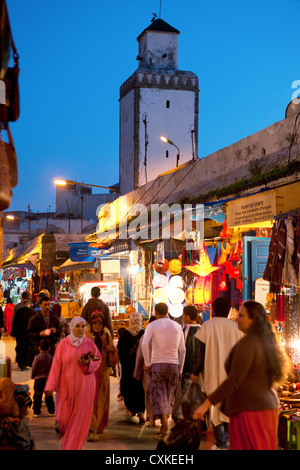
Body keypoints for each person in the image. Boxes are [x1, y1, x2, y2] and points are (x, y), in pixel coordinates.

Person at [193, 300, 291, 450]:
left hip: (251, 409)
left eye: (242, 316)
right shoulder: (263, 341)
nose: (237, 318)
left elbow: (234, 381)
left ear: (253, 320)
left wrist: (206, 404)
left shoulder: (249, 343)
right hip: (264, 406)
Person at [190, 296, 244, 450]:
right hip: (231, 375)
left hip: (212, 372)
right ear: (228, 310)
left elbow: (200, 352)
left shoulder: (207, 326)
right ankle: (226, 441)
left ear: (213, 310)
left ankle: (221, 442)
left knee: (214, 408)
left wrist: (195, 371)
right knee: (228, 408)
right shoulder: (236, 328)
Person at [44, 317, 101, 450]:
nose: (81, 329)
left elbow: (98, 359)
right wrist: (51, 386)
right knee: (64, 419)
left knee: (78, 420)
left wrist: (89, 363)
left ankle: (73, 447)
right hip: (65, 387)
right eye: (77, 326)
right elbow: (56, 366)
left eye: (83, 326)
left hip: (85, 387)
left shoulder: (90, 344)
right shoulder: (63, 344)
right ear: (72, 327)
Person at [141, 303, 186, 439]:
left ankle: (165, 425)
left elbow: (144, 344)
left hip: (157, 364)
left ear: (155, 312)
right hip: (174, 364)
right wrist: (181, 369)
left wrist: (148, 363)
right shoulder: (177, 326)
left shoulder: (152, 325)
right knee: (169, 395)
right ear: (168, 311)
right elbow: (183, 350)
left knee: (159, 395)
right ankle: (164, 425)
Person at [86, 311, 115, 440]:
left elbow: (112, 351)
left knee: (101, 398)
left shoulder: (106, 334)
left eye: (99, 323)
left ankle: (98, 425)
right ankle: (91, 426)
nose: (97, 326)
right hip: (89, 371)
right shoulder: (86, 334)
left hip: (102, 371)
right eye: (95, 323)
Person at [172, 304, 201, 422]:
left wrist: (180, 368)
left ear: (188, 316)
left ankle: (182, 417)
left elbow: (182, 351)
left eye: (183, 315)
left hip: (187, 369)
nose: (182, 317)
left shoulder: (184, 331)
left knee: (185, 395)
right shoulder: (203, 329)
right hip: (200, 370)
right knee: (198, 395)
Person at [117, 311, 145, 422]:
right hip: (141, 366)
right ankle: (141, 412)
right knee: (140, 387)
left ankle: (131, 409)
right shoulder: (144, 333)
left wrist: (124, 362)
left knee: (129, 387)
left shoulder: (124, 334)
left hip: (128, 366)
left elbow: (120, 350)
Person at [134, 315, 156, 425]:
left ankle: (151, 417)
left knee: (148, 392)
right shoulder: (165, 334)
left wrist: (137, 372)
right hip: (162, 367)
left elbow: (140, 356)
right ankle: (161, 417)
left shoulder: (145, 336)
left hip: (147, 369)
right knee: (160, 393)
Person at [31, 338, 55, 417]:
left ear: (39, 348)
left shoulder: (37, 358)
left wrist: (33, 376)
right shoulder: (51, 358)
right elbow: (53, 369)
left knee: (38, 395)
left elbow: (34, 368)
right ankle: (51, 411)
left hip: (38, 379)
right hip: (48, 379)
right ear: (49, 348)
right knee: (48, 395)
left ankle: (36, 411)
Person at [10, 299, 36, 370]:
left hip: (20, 334)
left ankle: (21, 364)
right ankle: (28, 363)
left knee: (20, 348)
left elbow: (15, 322)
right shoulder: (32, 312)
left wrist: (13, 333)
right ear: (29, 305)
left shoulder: (19, 312)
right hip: (28, 334)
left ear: (23, 305)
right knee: (29, 348)